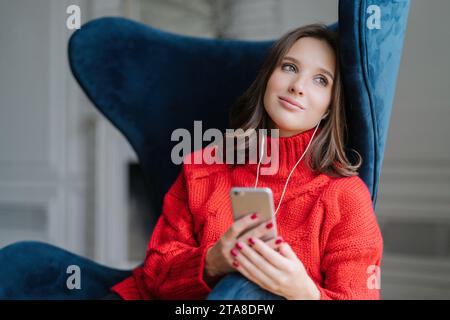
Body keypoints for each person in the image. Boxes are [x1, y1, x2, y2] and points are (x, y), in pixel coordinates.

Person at [109, 23, 383, 300]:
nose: (297, 86)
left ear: (329, 108)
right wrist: (213, 261)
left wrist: (305, 293)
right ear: (268, 78)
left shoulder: (346, 197)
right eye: (289, 67)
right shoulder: (203, 168)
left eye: (321, 80)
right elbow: (154, 276)